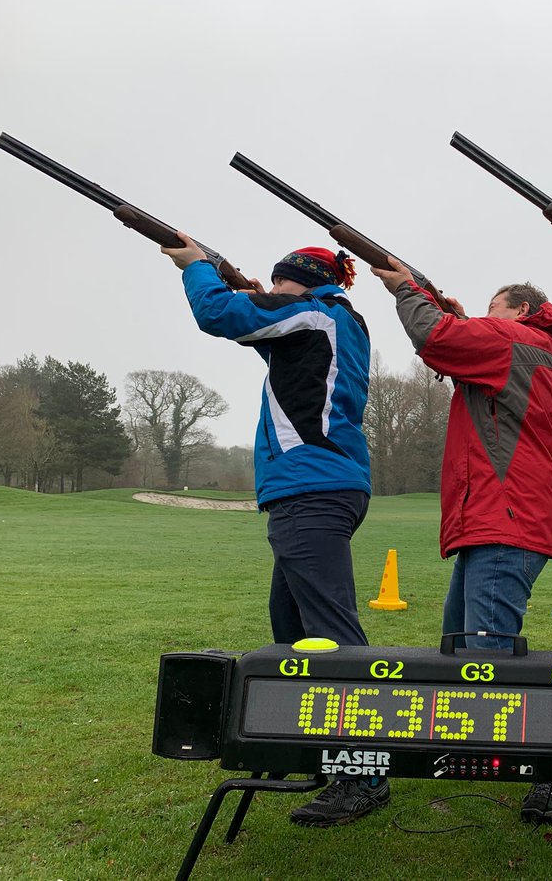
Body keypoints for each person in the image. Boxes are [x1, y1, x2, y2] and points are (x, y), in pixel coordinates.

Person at [160, 234, 386, 827]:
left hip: (312, 488)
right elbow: (278, 348)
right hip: (316, 486)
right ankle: (299, 742)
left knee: (331, 634)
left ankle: (362, 771)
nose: (272, 288)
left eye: (279, 280)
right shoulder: (328, 318)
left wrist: (196, 266)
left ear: (301, 282)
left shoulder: (316, 313)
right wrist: (254, 292)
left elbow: (218, 314)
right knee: (290, 629)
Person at [371, 257, 552, 824]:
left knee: (487, 661)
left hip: (504, 516)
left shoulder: (513, 338)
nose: (485, 315)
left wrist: (403, 286)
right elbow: (463, 343)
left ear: (522, 310)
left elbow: (435, 335)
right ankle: (473, 748)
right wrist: (463, 318)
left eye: (494, 307)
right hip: (506, 517)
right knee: (463, 649)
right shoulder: (542, 352)